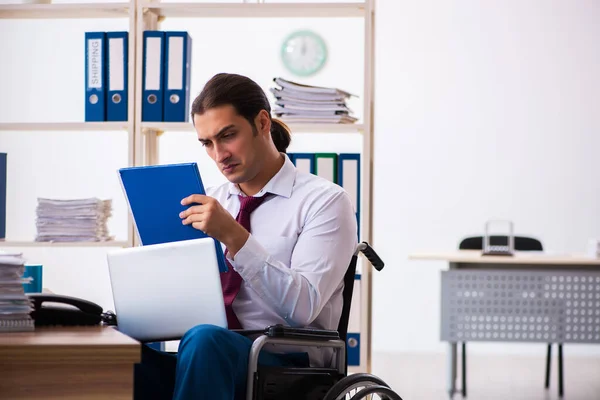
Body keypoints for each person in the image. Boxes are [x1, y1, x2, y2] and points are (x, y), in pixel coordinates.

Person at [134, 73, 358, 400]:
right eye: (207, 143)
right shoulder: (206, 199)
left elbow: (303, 307)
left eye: (228, 135)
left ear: (262, 122)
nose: (219, 154)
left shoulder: (325, 202)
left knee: (206, 341)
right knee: (117, 353)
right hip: (203, 353)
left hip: (285, 361)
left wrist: (234, 236)